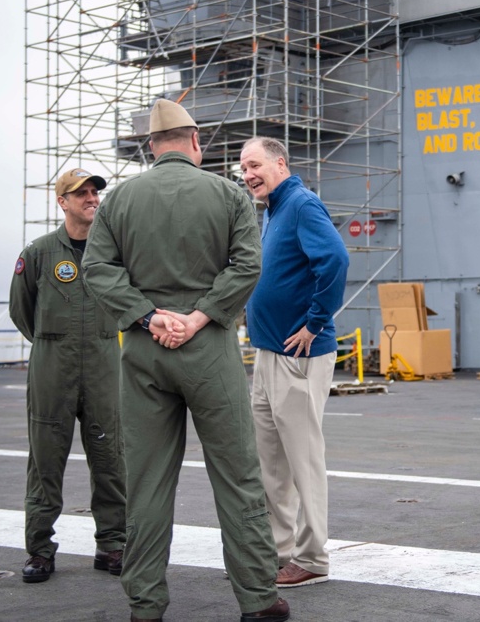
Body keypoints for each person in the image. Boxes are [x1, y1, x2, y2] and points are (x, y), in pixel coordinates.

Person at [82, 100, 288, 622]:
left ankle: (146, 604)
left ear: (152, 147)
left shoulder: (120, 200)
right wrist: (199, 317)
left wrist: (149, 317)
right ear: (196, 142)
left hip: (145, 352)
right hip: (209, 348)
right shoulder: (227, 193)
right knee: (237, 475)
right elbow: (248, 263)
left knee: (147, 480)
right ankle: (258, 600)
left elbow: (98, 269)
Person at [240, 136, 349, 588]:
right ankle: (279, 551)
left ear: (279, 163)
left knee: (302, 462)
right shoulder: (272, 212)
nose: (248, 174)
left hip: (298, 356)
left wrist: (314, 322)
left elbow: (335, 259)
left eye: (255, 165)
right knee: (272, 464)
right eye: (243, 169)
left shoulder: (301, 204)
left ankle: (312, 558)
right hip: (268, 356)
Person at [9, 168, 126, 584]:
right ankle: (40, 551)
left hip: (102, 368)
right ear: (63, 202)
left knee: (111, 458)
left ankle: (112, 544)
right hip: (52, 372)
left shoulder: (112, 254)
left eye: (95, 192)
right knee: (45, 460)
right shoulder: (40, 252)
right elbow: (21, 312)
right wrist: (53, 344)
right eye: (82, 194)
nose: (91, 198)